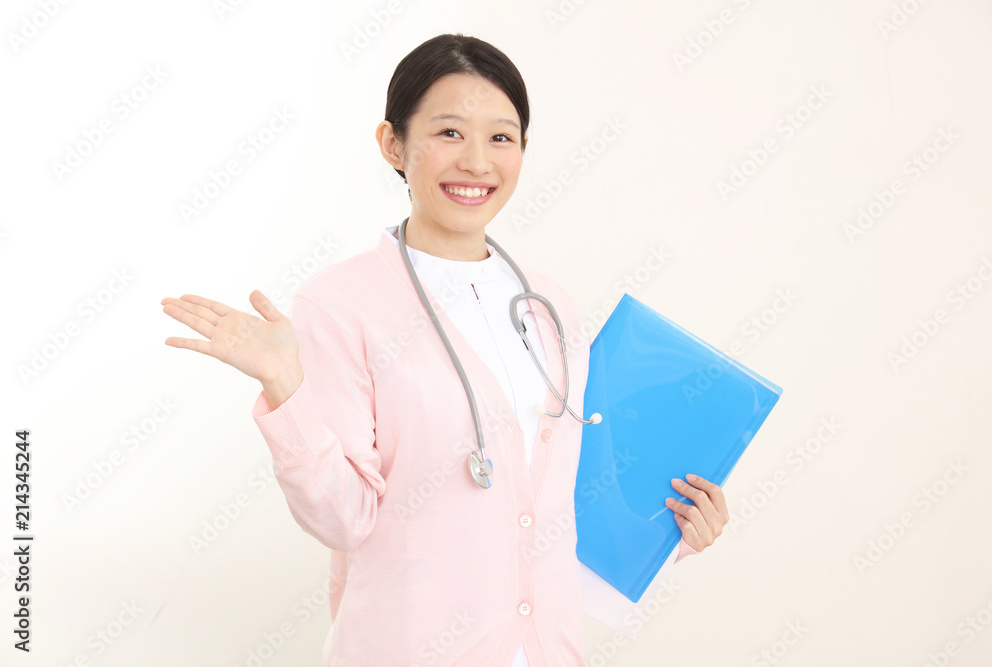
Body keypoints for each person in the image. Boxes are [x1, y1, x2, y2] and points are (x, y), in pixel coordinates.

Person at [160, 33, 729, 667]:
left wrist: (670, 529)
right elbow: (343, 521)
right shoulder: (340, 304)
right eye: (450, 133)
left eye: (501, 137)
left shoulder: (550, 307)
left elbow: (563, 505)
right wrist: (285, 388)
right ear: (393, 144)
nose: (478, 162)